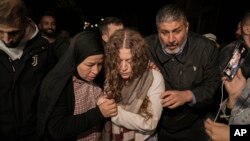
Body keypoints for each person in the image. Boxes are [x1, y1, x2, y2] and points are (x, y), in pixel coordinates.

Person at [145, 4, 221, 141]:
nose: (171, 39)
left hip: (196, 124)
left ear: (186, 27)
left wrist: (188, 95)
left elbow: (213, 83)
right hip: (157, 125)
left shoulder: (206, 48)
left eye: (176, 31)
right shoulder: (145, 48)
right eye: (164, 32)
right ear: (157, 30)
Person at [0, 0, 65, 140]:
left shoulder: (43, 48)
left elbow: (51, 90)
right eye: (0, 32)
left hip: (33, 132)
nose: (6, 39)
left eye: (13, 32)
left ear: (26, 22)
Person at [37, 31, 118, 141]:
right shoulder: (59, 84)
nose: (96, 71)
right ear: (76, 59)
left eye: (99, 64)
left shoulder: (99, 77)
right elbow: (58, 129)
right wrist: (99, 113)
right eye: (90, 65)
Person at [104, 28, 165, 141]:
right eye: (118, 60)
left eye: (129, 60)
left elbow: (151, 123)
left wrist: (113, 113)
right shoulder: (112, 75)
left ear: (138, 58)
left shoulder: (154, 78)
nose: (123, 67)